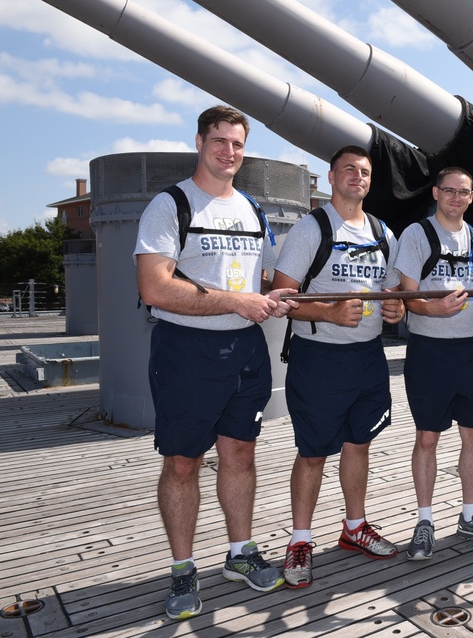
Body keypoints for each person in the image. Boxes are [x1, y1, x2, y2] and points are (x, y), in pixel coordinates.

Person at [134, 106, 297, 620]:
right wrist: (237, 301)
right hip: (187, 351)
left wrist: (284, 296)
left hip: (247, 351)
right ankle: (183, 568)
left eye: (238, 144)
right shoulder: (171, 205)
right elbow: (155, 288)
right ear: (200, 143)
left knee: (241, 456)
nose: (229, 152)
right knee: (183, 463)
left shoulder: (252, 209)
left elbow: (268, 279)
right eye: (220, 141)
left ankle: (239, 554)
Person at [271, 146, 405, 588]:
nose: (357, 176)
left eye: (364, 172)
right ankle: (299, 541)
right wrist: (327, 313)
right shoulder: (312, 228)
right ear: (330, 177)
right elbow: (282, 297)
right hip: (320, 358)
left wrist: (395, 312)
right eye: (348, 169)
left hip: (367, 358)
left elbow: (390, 293)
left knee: (358, 444)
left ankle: (354, 528)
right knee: (312, 454)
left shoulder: (384, 232)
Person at [393, 166, 473, 560]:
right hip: (430, 350)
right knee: (427, 437)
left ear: (472, 197)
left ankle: (470, 514)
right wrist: (434, 308)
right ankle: (424, 520)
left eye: (464, 192)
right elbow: (406, 297)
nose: (456, 198)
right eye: (449, 191)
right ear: (436, 193)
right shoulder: (416, 235)